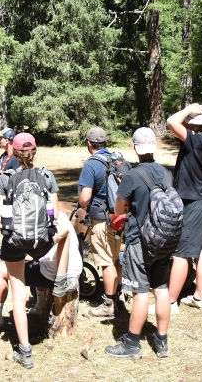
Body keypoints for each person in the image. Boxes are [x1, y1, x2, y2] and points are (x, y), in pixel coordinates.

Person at [0, 132, 73, 369]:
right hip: (42, 243)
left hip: (14, 244)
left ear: (15, 152)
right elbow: (54, 214)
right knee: (65, 232)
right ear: (34, 151)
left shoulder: (6, 178)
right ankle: (60, 280)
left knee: (18, 297)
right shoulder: (47, 176)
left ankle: (25, 351)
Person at [105, 127, 173, 360]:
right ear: (155, 146)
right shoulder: (166, 173)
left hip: (139, 240)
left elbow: (118, 209)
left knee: (140, 292)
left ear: (134, 147)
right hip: (164, 239)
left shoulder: (132, 176)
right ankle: (161, 341)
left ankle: (132, 344)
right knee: (161, 288)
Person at [0, 210, 83, 328]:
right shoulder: (59, 215)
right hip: (74, 270)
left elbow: (31, 256)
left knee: (1, 270)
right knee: (36, 264)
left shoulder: (37, 222)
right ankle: (40, 305)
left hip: (58, 278)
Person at [164, 105, 202, 312]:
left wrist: (188, 108)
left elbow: (171, 121)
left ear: (191, 126)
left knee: (181, 253)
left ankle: (170, 302)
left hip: (193, 204)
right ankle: (199, 297)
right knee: (201, 250)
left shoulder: (194, 140)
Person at [77, 127, 124, 317]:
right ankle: (119, 296)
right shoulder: (116, 159)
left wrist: (82, 202)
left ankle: (108, 304)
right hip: (119, 218)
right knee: (115, 258)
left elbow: (85, 199)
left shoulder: (91, 164)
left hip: (102, 219)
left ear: (89, 144)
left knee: (106, 261)